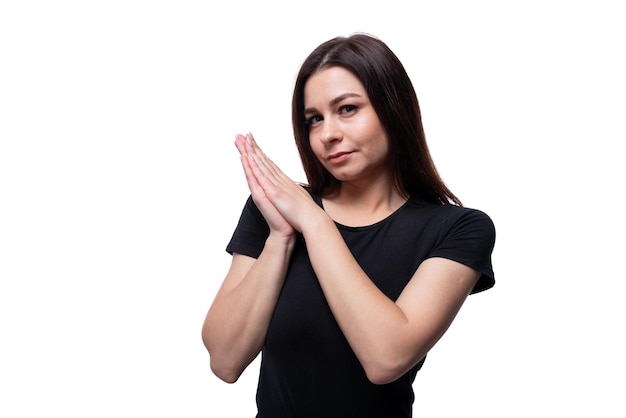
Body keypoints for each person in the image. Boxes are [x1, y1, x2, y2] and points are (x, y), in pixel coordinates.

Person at [202, 33, 496, 418]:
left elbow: (386, 358)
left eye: (347, 109)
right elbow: (224, 361)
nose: (327, 134)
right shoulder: (275, 214)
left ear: (393, 108)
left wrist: (313, 220)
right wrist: (280, 237)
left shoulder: (458, 229)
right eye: (314, 120)